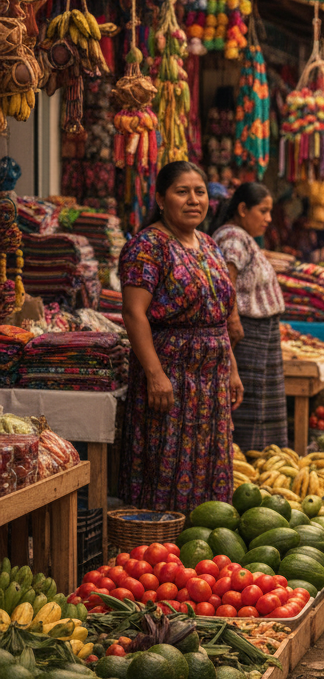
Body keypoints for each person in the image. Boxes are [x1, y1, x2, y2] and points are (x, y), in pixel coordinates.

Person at [120, 162, 244, 512]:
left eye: (200, 191)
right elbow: (133, 313)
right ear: (160, 198)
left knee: (210, 459)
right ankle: (160, 550)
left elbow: (218, 314)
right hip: (171, 375)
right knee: (167, 462)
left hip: (212, 378)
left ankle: (204, 550)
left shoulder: (207, 244)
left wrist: (231, 369)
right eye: (182, 191)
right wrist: (155, 375)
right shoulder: (147, 246)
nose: (193, 200)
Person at [213, 183, 287, 451]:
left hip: (258, 333)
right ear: (243, 209)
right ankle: (245, 459)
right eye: (263, 211)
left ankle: (261, 461)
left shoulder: (242, 237)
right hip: (247, 333)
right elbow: (225, 284)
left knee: (261, 403)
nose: (268, 218)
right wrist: (232, 322)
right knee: (250, 406)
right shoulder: (233, 237)